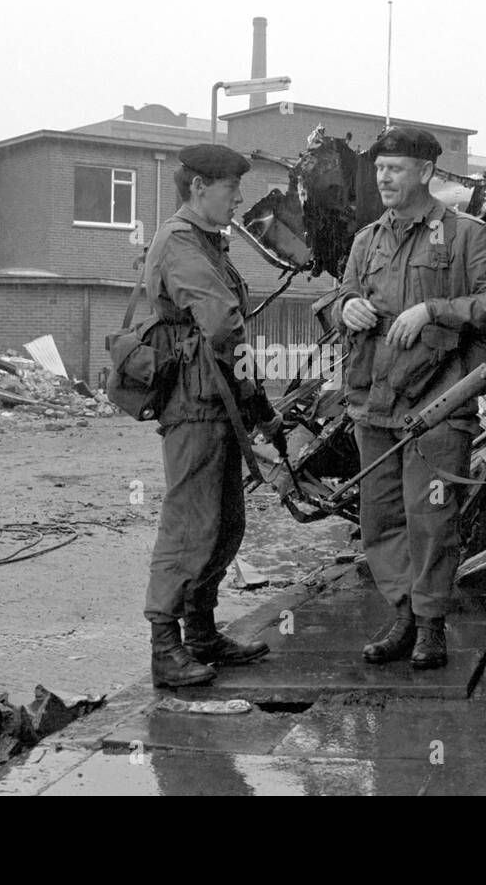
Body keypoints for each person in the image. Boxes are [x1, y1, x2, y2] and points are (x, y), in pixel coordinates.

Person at [335, 127, 486, 669]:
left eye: (396, 168)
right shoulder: (367, 240)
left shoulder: (466, 235)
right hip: (375, 402)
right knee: (380, 518)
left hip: (437, 404)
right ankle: (403, 616)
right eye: (379, 168)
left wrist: (435, 310)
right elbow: (339, 295)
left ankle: (432, 623)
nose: (384, 178)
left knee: (432, 517)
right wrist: (345, 307)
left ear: (426, 173)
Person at [142, 144, 281, 689]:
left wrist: (256, 402)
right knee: (189, 523)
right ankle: (164, 645)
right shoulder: (179, 240)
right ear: (199, 187)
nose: (239, 198)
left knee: (224, 524)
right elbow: (223, 324)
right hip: (195, 404)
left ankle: (200, 632)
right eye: (230, 188)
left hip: (218, 398)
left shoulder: (207, 243)